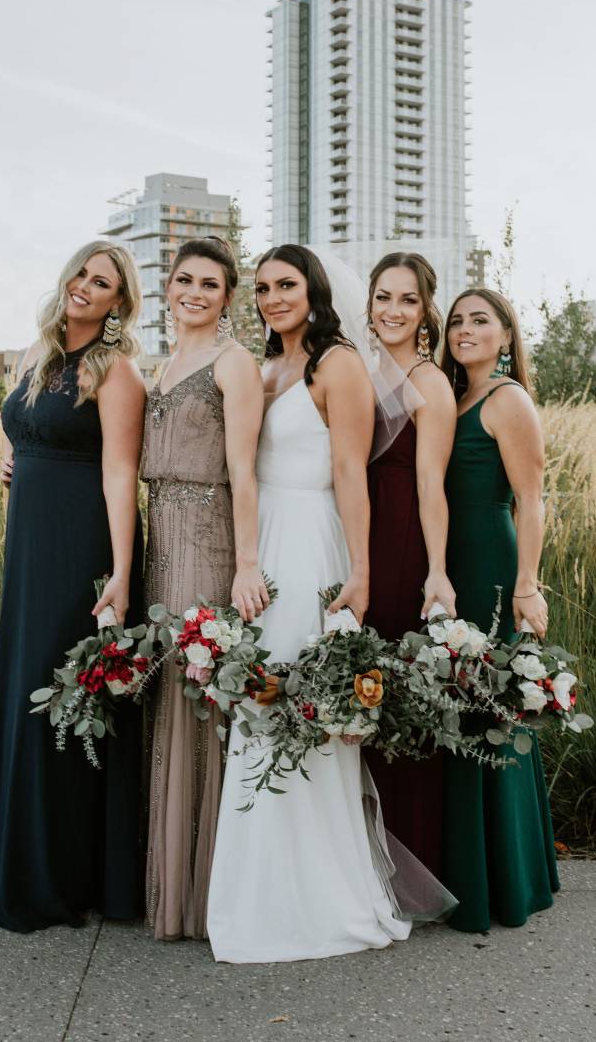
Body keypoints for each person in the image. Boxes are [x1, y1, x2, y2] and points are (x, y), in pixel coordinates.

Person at [207, 245, 455, 963]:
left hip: (315, 545)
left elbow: (352, 472)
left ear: (313, 289)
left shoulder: (337, 362)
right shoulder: (267, 367)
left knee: (307, 710)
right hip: (265, 548)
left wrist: (362, 574)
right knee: (260, 703)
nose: (272, 296)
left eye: (286, 284)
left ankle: (323, 896)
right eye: (261, 288)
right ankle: (259, 890)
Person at [0, 241, 146, 932]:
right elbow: (21, 430)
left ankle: (62, 875)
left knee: (60, 696)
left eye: (102, 283)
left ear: (117, 304)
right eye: (81, 273)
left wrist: (123, 576)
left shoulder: (117, 372)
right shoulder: (33, 357)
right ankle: (16, 861)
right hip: (29, 546)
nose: (85, 287)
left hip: (80, 550)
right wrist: (14, 459)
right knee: (23, 690)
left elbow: (118, 475)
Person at [143, 236, 267, 942]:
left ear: (226, 298)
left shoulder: (234, 361)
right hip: (160, 537)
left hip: (207, 537)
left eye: (210, 284)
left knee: (198, 696)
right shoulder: (165, 364)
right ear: (169, 287)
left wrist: (245, 563)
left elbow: (243, 470)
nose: (194, 291)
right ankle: (170, 882)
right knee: (168, 693)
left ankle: (208, 892)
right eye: (184, 279)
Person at [440, 287, 559, 931]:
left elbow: (532, 499)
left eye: (479, 320)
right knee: (458, 707)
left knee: (491, 710)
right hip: (450, 562)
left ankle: (505, 881)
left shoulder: (508, 399)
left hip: (489, 560)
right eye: (457, 320)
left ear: (507, 335)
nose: (464, 329)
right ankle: (468, 871)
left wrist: (527, 585)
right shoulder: (452, 395)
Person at [363, 252, 456, 879]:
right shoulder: (357, 368)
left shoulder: (431, 382)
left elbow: (432, 486)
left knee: (393, 688)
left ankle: (407, 854)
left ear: (426, 311)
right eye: (383, 297)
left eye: (407, 299)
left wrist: (438, 571)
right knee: (351, 685)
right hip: (347, 532)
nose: (393, 311)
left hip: (398, 539)